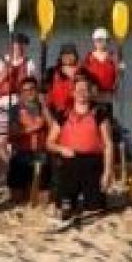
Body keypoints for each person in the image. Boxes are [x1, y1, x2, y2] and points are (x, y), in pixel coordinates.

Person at [47, 77, 115, 221]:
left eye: (85, 90)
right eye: (79, 90)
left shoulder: (100, 114)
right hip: (70, 161)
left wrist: (107, 172)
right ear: (73, 93)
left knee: (95, 210)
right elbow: (49, 142)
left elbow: (108, 144)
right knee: (65, 209)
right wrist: (61, 149)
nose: (82, 93)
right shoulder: (63, 114)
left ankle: (92, 199)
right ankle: (66, 201)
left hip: (93, 163)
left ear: (90, 93)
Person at [0, 32, 36, 164]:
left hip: (21, 104)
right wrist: (5, 73)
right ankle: (2, 168)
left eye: (21, 44)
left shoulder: (29, 63)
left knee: (17, 137)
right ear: (11, 45)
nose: (18, 47)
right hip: (2, 104)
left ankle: (16, 167)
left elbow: (32, 87)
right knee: (0, 140)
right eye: (16, 44)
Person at [6, 77, 50, 206]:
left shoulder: (45, 108)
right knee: (17, 199)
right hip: (21, 153)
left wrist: (44, 107)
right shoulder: (15, 110)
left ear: (37, 90)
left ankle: (34, 188)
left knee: (43, 201)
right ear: (21, 94)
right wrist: (33, 127)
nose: (29, 92)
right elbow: (12, 133)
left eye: (32, 89)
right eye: (25, 90)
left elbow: (54, 127)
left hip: (41, 154)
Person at [45, 44, 81, 118]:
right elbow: (44, 93)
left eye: (70, 54)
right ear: (61, 57)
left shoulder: (82, 72)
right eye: (65, 54)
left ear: (76, 56)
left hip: (76, 112)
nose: (68, 57)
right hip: (55, 112)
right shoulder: (51, 72)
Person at [81, 28, 120, 98]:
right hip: (92, 95)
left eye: (102, 40)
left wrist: (120, 69)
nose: (100, 43)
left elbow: (117, 76)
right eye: (98, 40)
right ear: (94, 41)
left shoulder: (113, 57)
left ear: (107, 41)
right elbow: (83, 76)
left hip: (109, 95)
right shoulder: (88, 57)